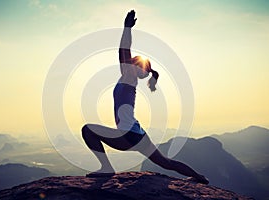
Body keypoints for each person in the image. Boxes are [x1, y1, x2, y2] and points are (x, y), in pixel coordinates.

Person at [81, 10, 209, 184]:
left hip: (126, 135)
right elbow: (124, 53)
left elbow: (123, 50)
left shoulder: (128, 76)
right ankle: (200, 178)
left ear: (133, 64)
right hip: (138, 134)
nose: (125, 61)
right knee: (165, 162)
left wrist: (127, 28)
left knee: (88, 130)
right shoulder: (129, 78)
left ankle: (107, 168)